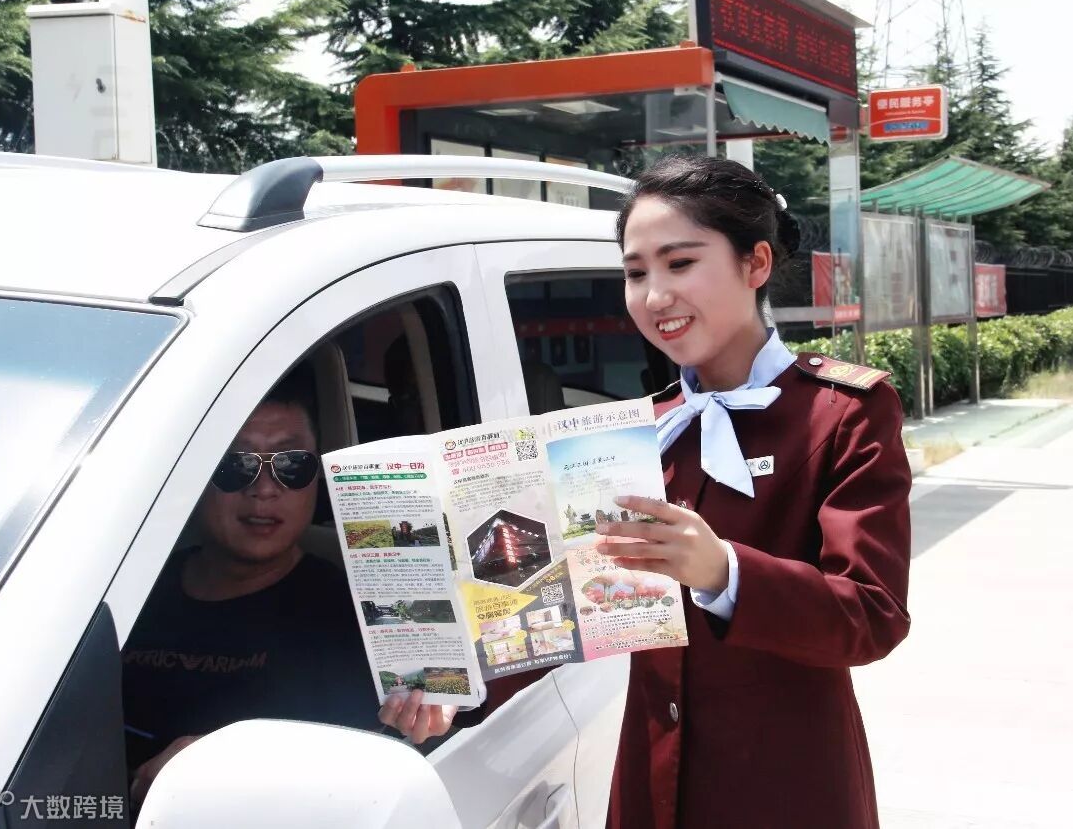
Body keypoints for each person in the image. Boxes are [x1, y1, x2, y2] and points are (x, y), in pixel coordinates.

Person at [381, 155, 912, 829]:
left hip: (786, 789)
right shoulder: (636, 431)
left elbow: (872, 614)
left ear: (755, 263)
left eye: (680, 263)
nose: (655, 295)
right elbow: (558, 602)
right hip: (650, 786)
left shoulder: (843, 412)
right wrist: (458, 690)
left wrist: (725, 571)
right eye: (636, 273)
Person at [122, 366, 382, 803]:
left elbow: (359, 781)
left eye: (291, 464)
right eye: (236, 464)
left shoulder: (351, 617)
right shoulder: (130, 590)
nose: (264, 489)